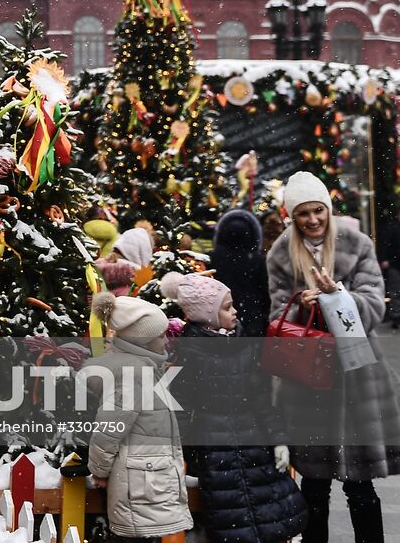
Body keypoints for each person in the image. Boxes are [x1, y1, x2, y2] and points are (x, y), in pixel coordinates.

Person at [267, 171, 400, 543]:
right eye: (303, 214)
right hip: (307, 375)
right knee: (314, 483)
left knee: (360, 485)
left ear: (328, 209)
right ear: (291, 216)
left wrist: (338, 296)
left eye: (318, 211)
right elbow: (278, 313)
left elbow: (375, 305)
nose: (312, 220)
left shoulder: (357, 243)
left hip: (356, 373)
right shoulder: (281, 253)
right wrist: (302, 306)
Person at [160, 271, 307, 542]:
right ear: (207, 315)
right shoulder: (189, 354)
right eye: (227, 307)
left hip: (255, 445)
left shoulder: (242, 346)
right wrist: (176, 453)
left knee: (271, 514)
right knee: (232, 518)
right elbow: (179, 407)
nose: (236, 311)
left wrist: (278, 439)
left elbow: (261, 398)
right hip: (215, 452)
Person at [86, 292, 194, 543]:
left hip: (143, 477)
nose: (166, 340)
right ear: (142, 341)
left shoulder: (142, 367)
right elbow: (108, 429)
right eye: (160, 335)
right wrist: (100, 471)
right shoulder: (133, 374)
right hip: (139, 479)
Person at [208, 209, 271, 338]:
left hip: (220, 314)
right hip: (251, 316)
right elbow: (265, 290)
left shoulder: (212, 257)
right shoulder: (256, 259)